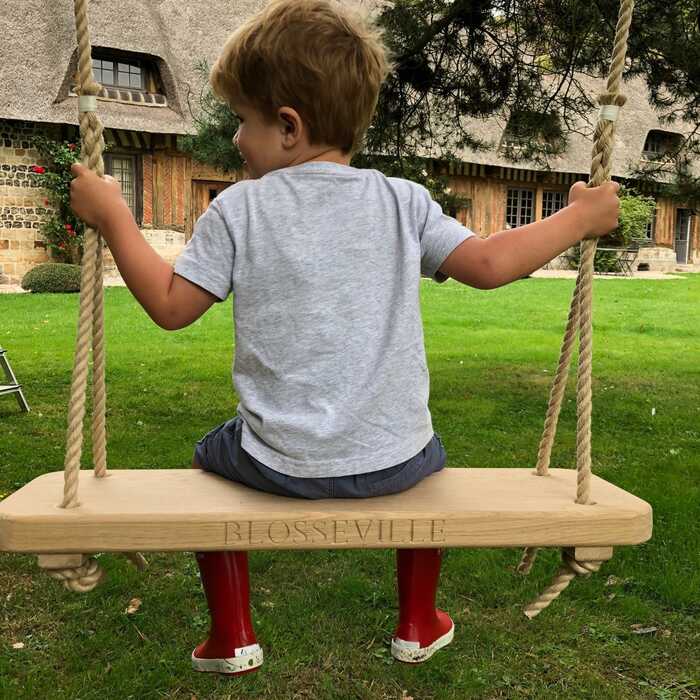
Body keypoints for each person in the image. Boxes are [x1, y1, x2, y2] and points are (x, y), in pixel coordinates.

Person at [69, 0, 620, 678]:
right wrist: (579, 220)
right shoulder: (401, 200)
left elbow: (170, 307)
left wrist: (116, 216)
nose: (237, 139)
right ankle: (419, 621)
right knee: (431, 456)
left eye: (243, 120)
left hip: (274, 462)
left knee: (208, 460)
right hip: (398, 461)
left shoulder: (238, 209)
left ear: (288, 128)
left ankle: (232, 634)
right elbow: (488, 264)